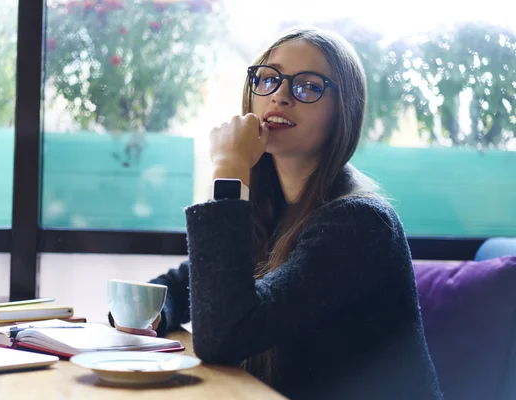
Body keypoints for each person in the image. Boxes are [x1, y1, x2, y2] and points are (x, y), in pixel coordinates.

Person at [109, 27, 443, 399]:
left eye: (308, 86)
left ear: (344, 109)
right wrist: (153, 315)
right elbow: (188, 285)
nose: (281, 96)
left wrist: (229, 170)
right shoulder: (269, 205)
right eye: (268, 79)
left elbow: (224, 336)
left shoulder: (361, 222)